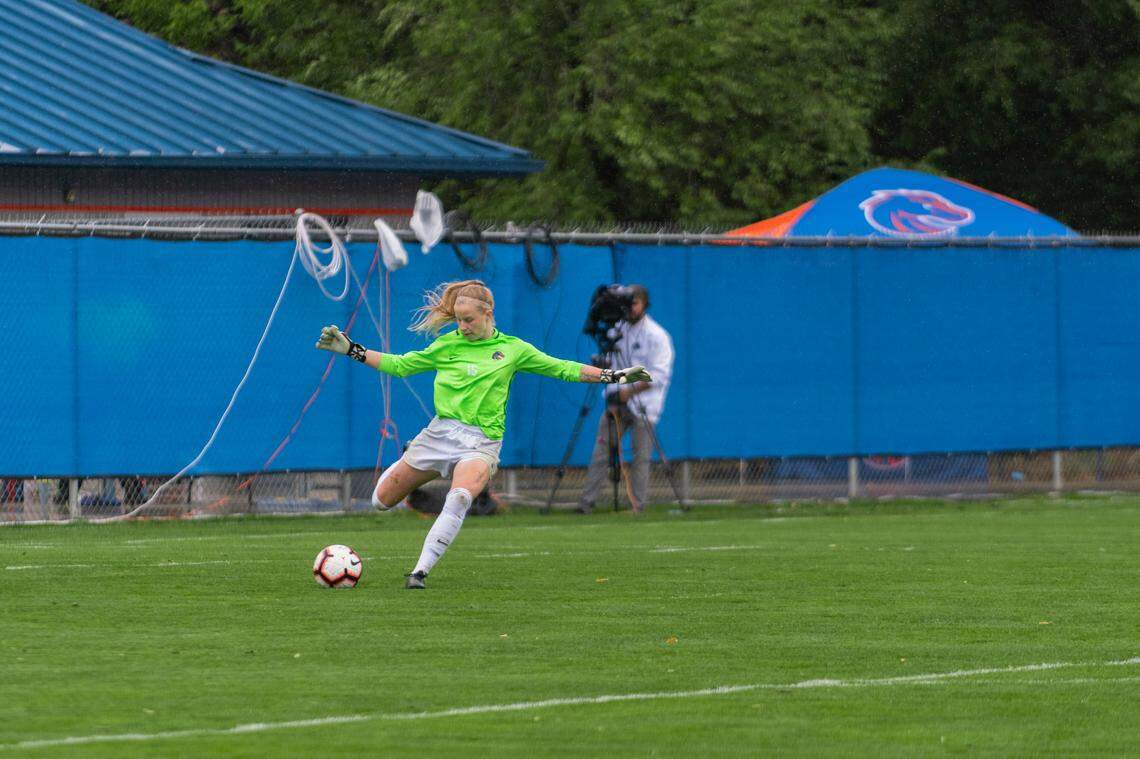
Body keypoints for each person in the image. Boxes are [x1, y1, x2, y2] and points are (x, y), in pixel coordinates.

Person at [316, 279, 650, 589]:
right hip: (439, 435)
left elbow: (561, 367)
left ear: (487, 313)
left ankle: (419, 572)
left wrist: (614, 375)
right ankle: (410, 454)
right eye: (458, 319)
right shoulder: (447, 346)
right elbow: (400, 365)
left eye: (468, 319)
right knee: (380, 502)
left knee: (460, 496)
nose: (462, 326)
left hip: (481, 442)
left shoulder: (513, 349)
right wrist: (351, 349)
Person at [577, 284, 674, 514]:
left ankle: (638, 505)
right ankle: (586, 502)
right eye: (627, 304)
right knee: (601, 451)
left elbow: (658, 374)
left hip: (644, 405)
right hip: (615, 401)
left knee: (640, 457)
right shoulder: (618, 328)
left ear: (644, 304)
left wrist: (629, 389)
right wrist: (603, 365)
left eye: (634, 303)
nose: (630, 309)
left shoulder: (657, 336)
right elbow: (616, 363)